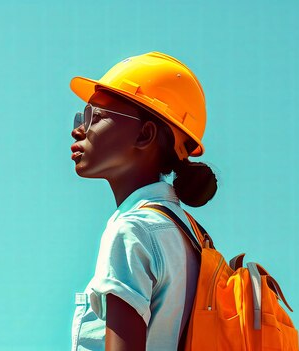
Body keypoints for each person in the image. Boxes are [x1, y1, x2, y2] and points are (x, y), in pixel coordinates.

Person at [69, 52, 218, 351]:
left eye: (94, 116)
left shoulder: (131, 231)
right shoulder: (193, 239)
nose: (78, 129)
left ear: (144, 135)